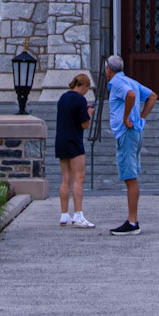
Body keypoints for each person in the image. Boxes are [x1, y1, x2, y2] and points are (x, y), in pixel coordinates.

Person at [103, 53, 156, 233]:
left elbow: (131, 96)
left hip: (127, 133)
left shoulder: (117, 83)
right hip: (135, 133)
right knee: (131, 177)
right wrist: (140, 118)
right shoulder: (130, 80)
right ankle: (132, 220)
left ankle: (132, 222)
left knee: (130, 177)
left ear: (108, 69)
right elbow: (152, 96)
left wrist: (127, 117)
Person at [54, 72, 94, 228]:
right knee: (79, 177)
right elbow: (85, 124)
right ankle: (78, 214)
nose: (86, 92)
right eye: (87, 89)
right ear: (83, 86)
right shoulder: (80, 100)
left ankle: (64, 215)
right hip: (74, 142)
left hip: (61, 141)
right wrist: (89, 113)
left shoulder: (63, 98)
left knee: (65, 178)